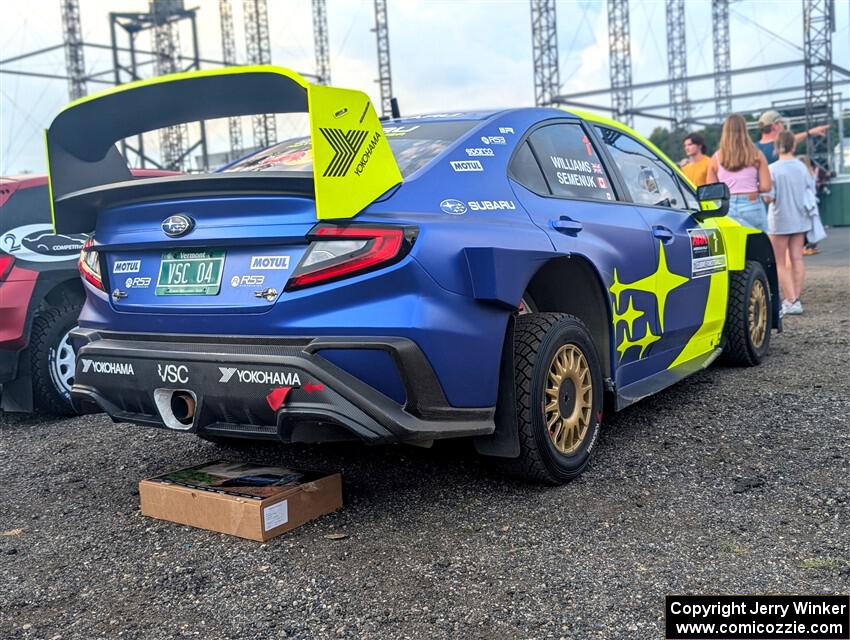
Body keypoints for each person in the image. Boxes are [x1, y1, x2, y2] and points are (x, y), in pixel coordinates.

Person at [764, 131, 815, 316]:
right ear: (794, 145)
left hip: (779, 219)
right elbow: (810, 190)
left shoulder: (772, 169)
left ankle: (791, 300)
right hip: (800, 217)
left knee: (779, 261)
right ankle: (796, 298)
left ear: (776, 146)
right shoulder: (802, 167)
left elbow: (768, 198)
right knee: (797, 259)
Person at [706, 114, 771, 230]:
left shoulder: (715, 158)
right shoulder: (757, 154)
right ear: (744, 130)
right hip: (752, 204)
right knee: (758, 241)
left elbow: (712, 191)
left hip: (726, 208)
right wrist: (750, 187)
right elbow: (766, 187)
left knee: (731, 242)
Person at [756, 110, 830, 164]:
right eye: (782, 123)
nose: (783, 125)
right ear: (775, 125)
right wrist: (810, 132)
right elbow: (791, 140)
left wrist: (810, 132)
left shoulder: (754, 148)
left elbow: (792, 139)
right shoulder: (778, 146)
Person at [798, 155, 822, 255]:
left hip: (805, 202)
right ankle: (811, 246)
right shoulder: (811, 174)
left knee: (804, 225)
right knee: (812, 224)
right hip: (811, 202)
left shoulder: (803, 175)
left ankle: (805, 246)